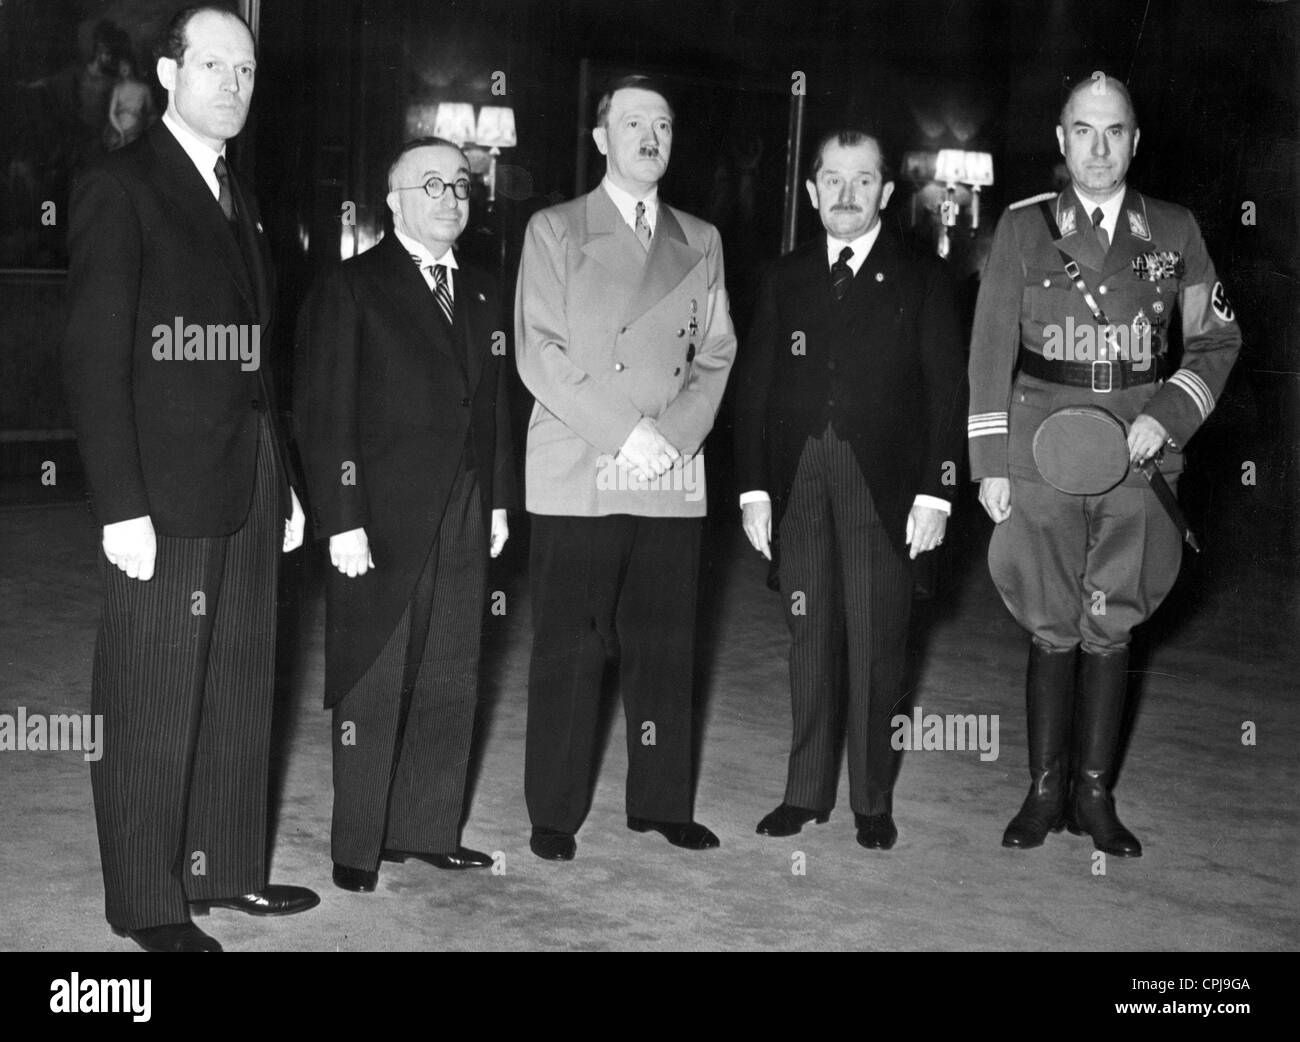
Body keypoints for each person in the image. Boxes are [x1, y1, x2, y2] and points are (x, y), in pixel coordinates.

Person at [59, 4, 318, 953]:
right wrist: (119, 506)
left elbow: (257, 367)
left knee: (241, 682)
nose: (234, 85)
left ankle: (224, 869)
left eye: (246, 70)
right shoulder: (120, 187)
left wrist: (282, 479)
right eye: (214, 65)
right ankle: (149, 903)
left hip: (245, 477)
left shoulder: (238, 194)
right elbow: (92, 358)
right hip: (160, 494)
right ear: (169, 75)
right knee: (152, 693)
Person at [968, 73, 1241, 857]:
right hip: (1039, 449)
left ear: (1134, 140)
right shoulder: (1022, 230)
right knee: (1051, 621)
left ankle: (1093, 794)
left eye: (1113, 131)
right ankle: (1042, 788)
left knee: (1113, 621)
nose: (1097, 147)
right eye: (1082, 131)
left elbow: (1217, 341)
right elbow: (989, 351)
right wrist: (990, 462)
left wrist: (1170, 416)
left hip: (1139, 456)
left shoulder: (1174, 231)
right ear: (1060, 141)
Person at [514, 75, 737, 861]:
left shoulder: (701, 239)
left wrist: (671, 437)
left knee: (665, 640)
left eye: (664, 125)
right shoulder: (555, 229)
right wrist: (626, 432)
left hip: (671, 468)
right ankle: (554, 813)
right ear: (601, 138)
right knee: (572, 646)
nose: (651, 136)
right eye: (633, 122)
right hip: (582, 460)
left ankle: (660, 801)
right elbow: (539, 353)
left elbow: (716, 352)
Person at [294, 138, 517, 893]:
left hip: (464, 502)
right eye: (432, 186)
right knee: (375, 672)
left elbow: (496, 409)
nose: (451, 199)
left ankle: (426, 829)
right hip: (378, 513)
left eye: (460, 186)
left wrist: (500, 500)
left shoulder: (486, 290)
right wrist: (342, 519)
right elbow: (325, 413)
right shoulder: (353, 286)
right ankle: (357, 848)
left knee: (451, 669)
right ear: (393, 202)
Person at [734, 130, 966, 851]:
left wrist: (937, 494)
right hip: (799, 476)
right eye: (831, 180)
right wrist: (751, 490)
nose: (844, 194)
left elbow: (947, 393)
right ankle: (803, 793)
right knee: (809, 636)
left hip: (885, 484)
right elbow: (754, 387)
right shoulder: (782, 276)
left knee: (876, 640)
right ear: (810, 192)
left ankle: (871, 799)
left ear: (886, 194)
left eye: (861, 180)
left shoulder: (923, 278)